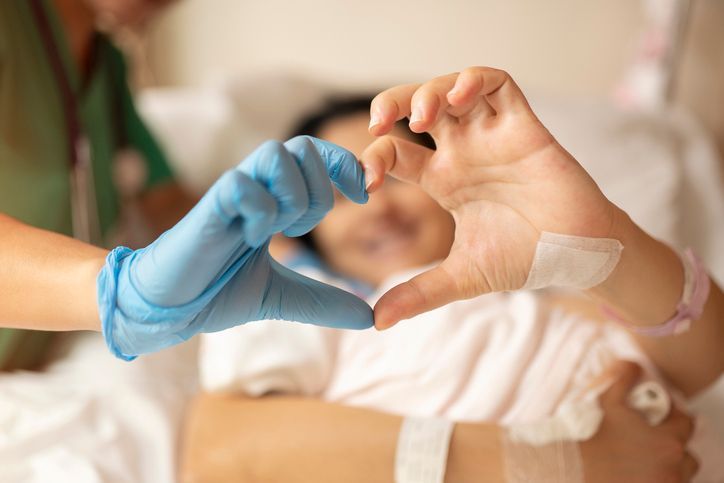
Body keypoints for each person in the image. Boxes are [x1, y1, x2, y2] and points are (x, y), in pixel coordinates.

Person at [181, 95, 707, 482]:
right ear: (308, 231)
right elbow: (223, 457)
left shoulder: (537, 302)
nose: (377, 206)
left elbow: (699, 359)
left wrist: (600, 239)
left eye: (397, 177)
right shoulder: (314, 306)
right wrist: (552, 460)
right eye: (342, 196)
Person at [0, 0, 373, 369]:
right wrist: (124, 292)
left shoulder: (108, 66)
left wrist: (294, 257)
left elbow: (166, 201)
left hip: (36, 361)